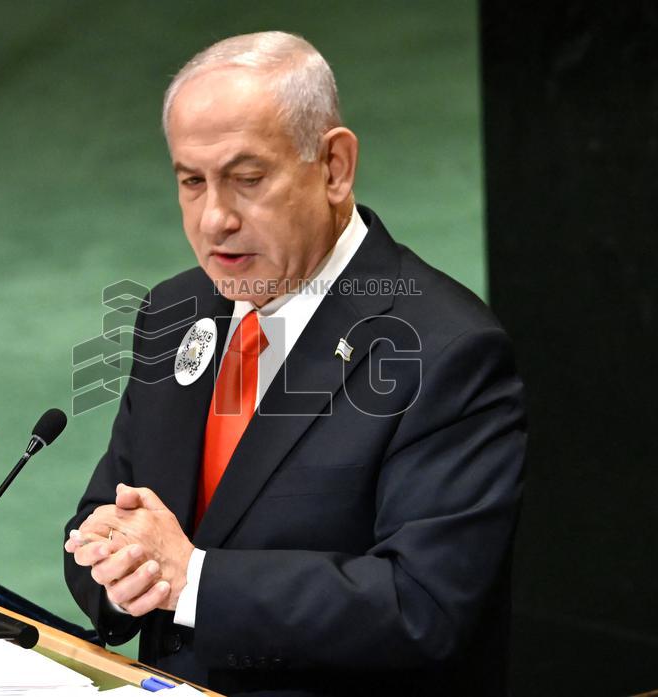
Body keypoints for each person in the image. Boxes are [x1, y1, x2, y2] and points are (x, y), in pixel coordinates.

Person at [64, 31, 526, 696]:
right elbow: (107, 515)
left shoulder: (445, 348)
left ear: (335, 166)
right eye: (192, 181)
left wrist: (191, 578)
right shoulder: (177, 309)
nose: (214, 217)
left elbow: (421, 604)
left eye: (246, 179)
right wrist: (112, 560)